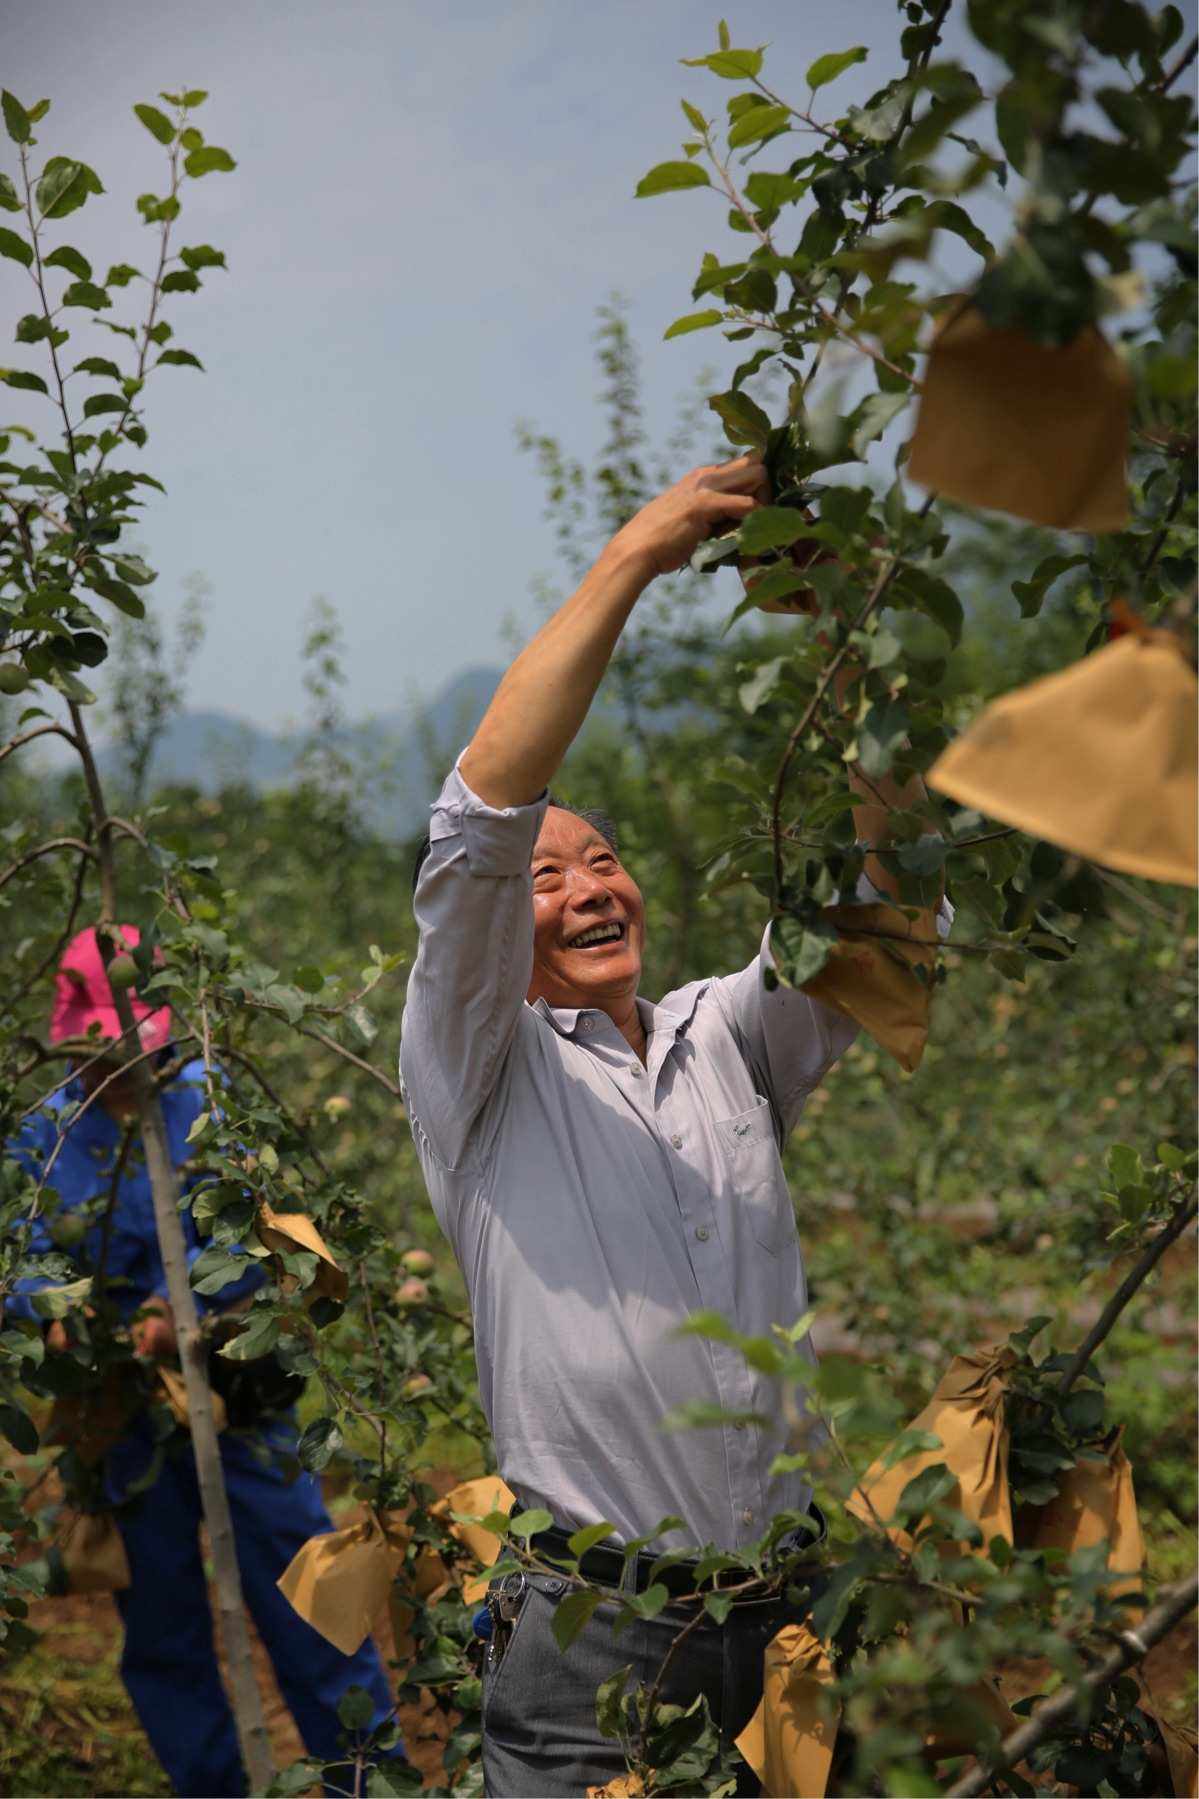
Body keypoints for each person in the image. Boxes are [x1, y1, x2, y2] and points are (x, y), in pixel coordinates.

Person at [400, 454, 949, 1795]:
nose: (586, 888)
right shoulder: (480, 1070)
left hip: (787, 1608)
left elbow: (888, 896)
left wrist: (845, 642)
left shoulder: (727, 1034)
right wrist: (632, 558)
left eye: (601, 861)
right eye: (547, 876)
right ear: (493, 937)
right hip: (599, 1638)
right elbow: (477, 820)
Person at [5, 925, 398, 1799]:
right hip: (125, 1424)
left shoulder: (205, 1102)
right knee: (165, 1623)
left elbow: (264, 1242)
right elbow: (20, 1265)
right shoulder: (43, 1142)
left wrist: (194, 1313)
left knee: (309, 1596)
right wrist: (63, 1316)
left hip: (237, 1395)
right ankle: (213, 1784)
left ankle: (369, 1780)